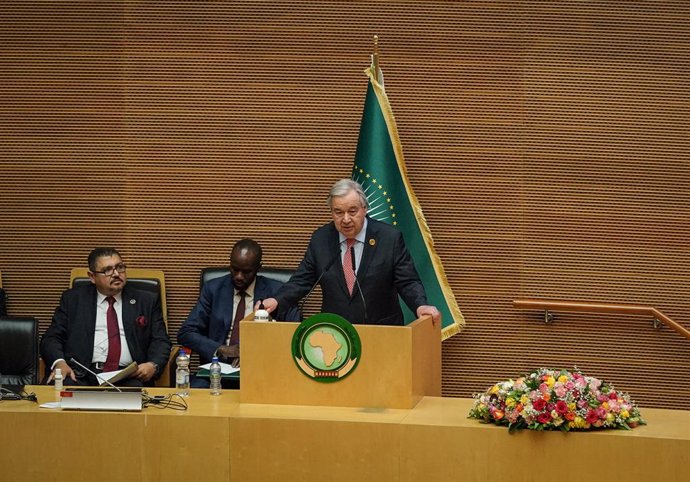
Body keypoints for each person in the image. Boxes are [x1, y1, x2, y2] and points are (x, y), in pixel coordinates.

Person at [261, 179, 441, 326]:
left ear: (365, 208)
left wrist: (420, 305)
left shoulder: (389, 239)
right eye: (338, 212)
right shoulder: (321, 239)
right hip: (335, 333)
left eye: (352, 211)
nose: (345, 219)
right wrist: (277, 301)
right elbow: (302, 280)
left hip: (382, 332)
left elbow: (407, 281)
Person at [40, 247, 172, 386]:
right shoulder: (73, 299)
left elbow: (161, 340)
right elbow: (51, 337)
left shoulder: (146, 301)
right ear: (92, 277)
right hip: (81, 374)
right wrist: (60, 363)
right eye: (108, 270)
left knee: (136, 393)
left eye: (120, 267)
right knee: (61, 392)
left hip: (129, 376)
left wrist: (153, 365)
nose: (116, 274)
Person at [178, 239, 300, 388]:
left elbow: (295, 334)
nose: (239, 276)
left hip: (262, 372)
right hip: (216, 372)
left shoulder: (277, 293)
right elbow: (186, 332)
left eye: (246, 271)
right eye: (235, 269)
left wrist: (255, 352)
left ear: (258, 269)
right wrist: (221, 349)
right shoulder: (213, 290)